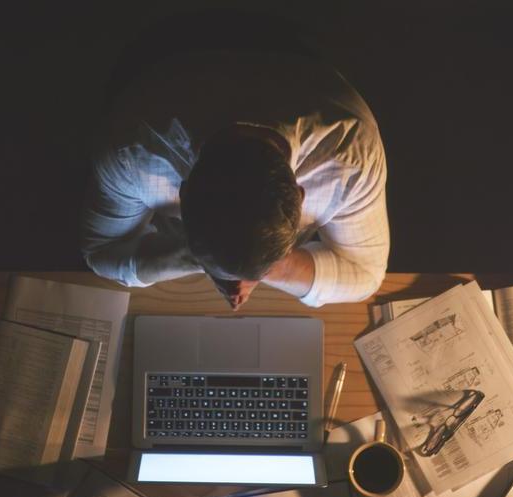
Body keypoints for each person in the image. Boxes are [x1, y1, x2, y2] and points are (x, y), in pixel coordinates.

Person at [81, 49, 389, 309]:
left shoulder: (351, 157)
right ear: (184, 194)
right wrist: (195, 258)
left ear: (299, 195)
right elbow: (100, 252)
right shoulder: (128, 150)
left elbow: (367, 274)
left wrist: (273, 267)